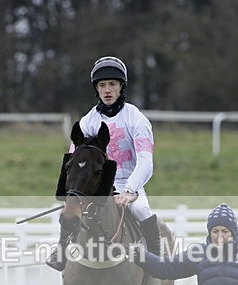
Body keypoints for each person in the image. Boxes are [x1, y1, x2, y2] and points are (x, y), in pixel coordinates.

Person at [48, 56, 159, 271]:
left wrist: (129, 191)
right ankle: (61, 249)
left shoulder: (136, 119)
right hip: (96, 185)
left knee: (142, 211)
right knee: (71, 214)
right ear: (96, 89)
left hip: (129, 183)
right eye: (102, 85)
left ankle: (157, 258)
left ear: (121, 87)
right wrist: (67, 194)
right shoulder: (88, 121)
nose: (107, 90)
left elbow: (146, 161)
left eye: (112, 84)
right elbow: (72, 161)